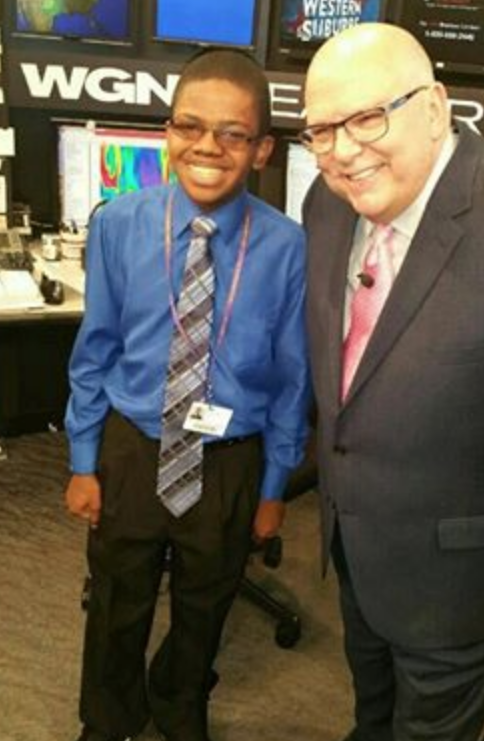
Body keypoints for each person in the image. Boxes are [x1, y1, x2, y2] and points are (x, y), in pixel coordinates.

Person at [65, 49, 311, 741]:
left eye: (233, 133)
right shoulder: (118, 224)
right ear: (168, 132)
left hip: (230, 457)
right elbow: (95, 350)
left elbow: (293, 379)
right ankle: (109, 716)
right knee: (116, 596)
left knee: (207, 601)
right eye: (190, 126)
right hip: (133, 447)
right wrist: (83, 461)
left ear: (262, 149)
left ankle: (178, 705)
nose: (208, 146)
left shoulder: (288, 247)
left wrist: (273, 487)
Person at [302, 23, 484, 741]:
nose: (344, 151)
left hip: (464, 582)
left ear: (434, 107)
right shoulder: (326, 203)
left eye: (368, 118)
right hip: (359, 553)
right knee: (372, 715)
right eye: (321, 130)